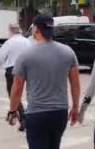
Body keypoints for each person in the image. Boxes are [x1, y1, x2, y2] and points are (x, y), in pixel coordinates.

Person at [7, 14, 81, 149]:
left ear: (36, 30)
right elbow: (75, 85)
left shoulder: (25, 55)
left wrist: (12, 111)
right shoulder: (68, 52)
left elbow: (17, 88)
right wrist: (75, 107)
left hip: (36, 114)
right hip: (60, 113)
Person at [0, 22, 30, 132]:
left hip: (13, 69)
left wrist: (5, 63)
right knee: (31, 93)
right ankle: (29, 116)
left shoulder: (9, 43)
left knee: (14, 94)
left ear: (10, 31)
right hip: (28, 68)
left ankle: (23, 118)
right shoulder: (27, 41)